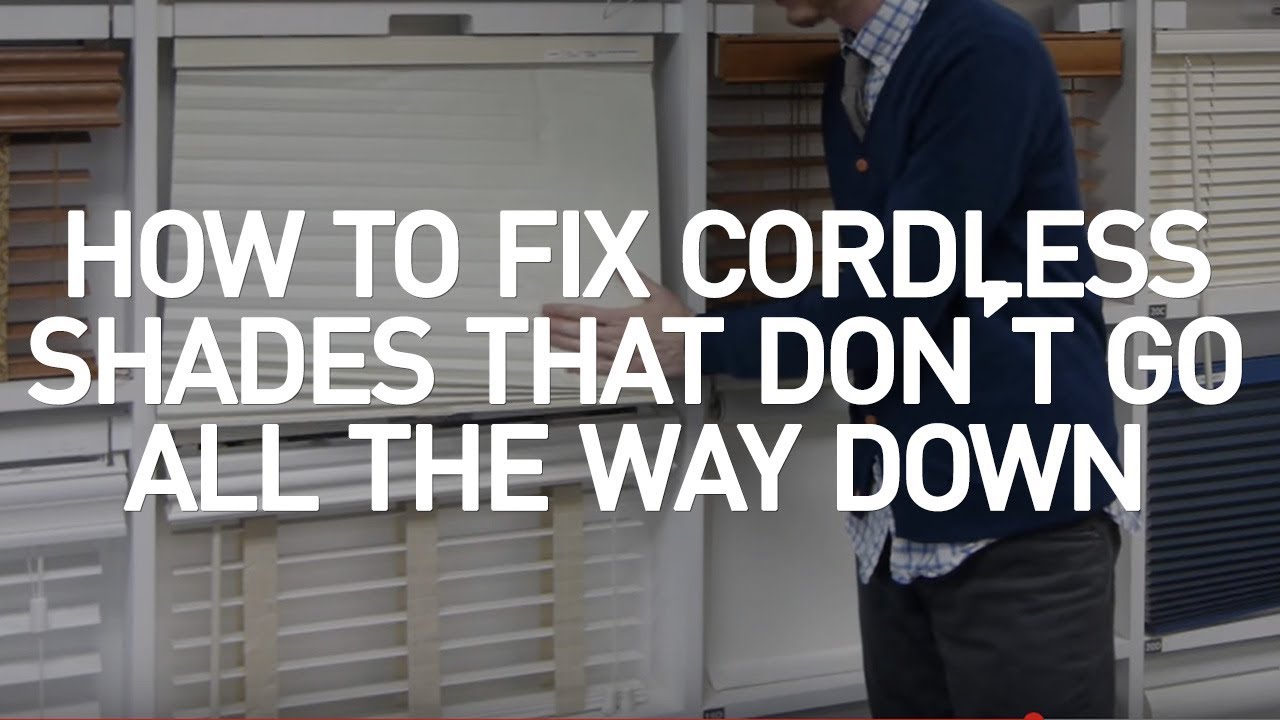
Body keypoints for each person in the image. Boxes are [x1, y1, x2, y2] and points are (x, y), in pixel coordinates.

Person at [543, 0, 1137, 716]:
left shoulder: (985, 53)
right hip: (897, 519)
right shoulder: (857, 75)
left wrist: (694, 342)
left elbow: (895, 300)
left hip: (1017, 523)